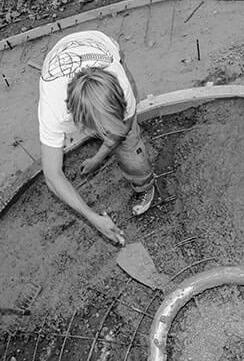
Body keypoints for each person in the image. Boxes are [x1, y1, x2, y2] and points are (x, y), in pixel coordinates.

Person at [38, 30, 157, 246]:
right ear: (80, 124)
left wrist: (98, 157)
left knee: (129, 140)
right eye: (100, 130)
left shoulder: (120, 84)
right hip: (60, 54)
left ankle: (145, 185)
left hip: (101, 43)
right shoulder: (53, 110)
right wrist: (92, 218)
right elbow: (53, 176)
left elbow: (123, 128)